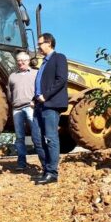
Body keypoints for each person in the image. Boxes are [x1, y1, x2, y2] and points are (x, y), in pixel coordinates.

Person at [33, 33, 68, 185]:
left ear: (49, 43)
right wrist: (35, 99)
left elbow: (61, 79)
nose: (38, 46)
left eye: (40, 43)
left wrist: (45, 96)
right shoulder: (43, 63)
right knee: (37, 139)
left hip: (51, 104)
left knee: (50, 138)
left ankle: (52, 173)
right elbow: (41, 83)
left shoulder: (58, 58)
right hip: (39, 105)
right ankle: (46, 169)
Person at [7, 51, 44, 170]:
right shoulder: (12, 76)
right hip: (17, 109)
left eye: (24, 60)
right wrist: (13, 103)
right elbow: (9, 93)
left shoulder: (35, 73)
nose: (21, 62)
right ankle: (21, 163)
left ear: (28, 61)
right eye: (19, 60)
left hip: (31, 107)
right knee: (19, 137)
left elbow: (41, 89)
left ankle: (45, 163)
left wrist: (36, 102)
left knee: (36, 136)